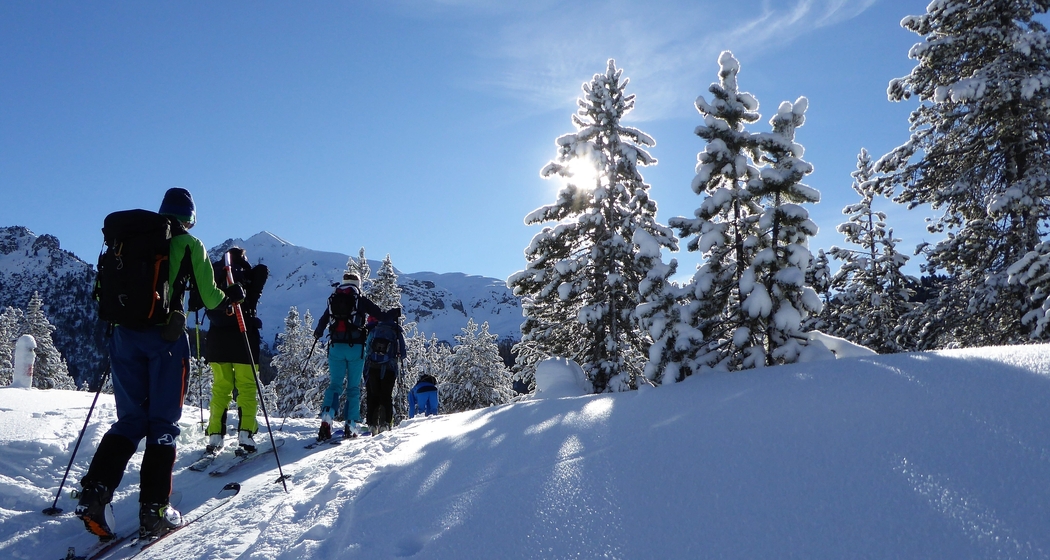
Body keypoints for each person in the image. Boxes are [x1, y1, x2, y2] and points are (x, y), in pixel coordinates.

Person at [76, 188, 245, 540]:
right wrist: (232, 296)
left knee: (130, 421)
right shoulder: (189, 243)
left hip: (123, 336)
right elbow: (210, 297)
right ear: (190, 218)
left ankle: (94, 493)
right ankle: (154, 511)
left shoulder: (126, 240)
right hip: (165, 340)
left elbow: (101, 291)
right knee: (163, 424)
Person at [203, 247, 268, 454]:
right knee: (247, 388)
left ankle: (215, 434)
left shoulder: (214, 275)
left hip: (217, 339)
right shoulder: (248, 275)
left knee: (221, 388)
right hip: (243, 336)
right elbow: (262, 272)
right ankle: (246, 434)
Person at [313, 272, 384, 440]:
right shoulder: (360, 299)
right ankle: (350, 425)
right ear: (358, 283)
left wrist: (318, 333)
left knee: (335, 384)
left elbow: (323, 321)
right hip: (356, 348)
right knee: (353, 387)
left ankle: (327, 418)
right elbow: (379, 315)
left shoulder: (334, 298)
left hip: (336, 347)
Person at [363, 309, 407, 434]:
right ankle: (385, 423)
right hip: (389, 368)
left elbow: (367, 349)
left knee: (373, 395)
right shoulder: (396, 331)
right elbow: (403, 353)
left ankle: (372, 424)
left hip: (373, 367)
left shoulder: (375, 329)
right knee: (386, 395)